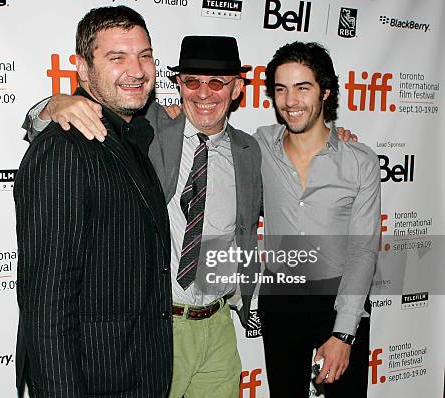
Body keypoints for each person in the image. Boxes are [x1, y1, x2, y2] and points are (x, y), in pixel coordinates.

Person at [26, 35, 263, 398]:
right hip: (159, 325)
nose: (204, 94)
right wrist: (55, 104)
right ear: (178, 85)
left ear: (237, 89)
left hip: (219, 325)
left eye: (217, 82)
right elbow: (72, 115)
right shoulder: (146, 128)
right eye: (192, 82)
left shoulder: (251, 150)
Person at [14, 6, 173, 397]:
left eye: (145, 55)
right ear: (82, 69)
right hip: (94, 383)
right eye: (117, 58)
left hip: (142, 374)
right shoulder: (65, 149)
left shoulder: (133, 134)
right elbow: (47, 306)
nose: (136, 70)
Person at [255, 41, 380, 397]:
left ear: (325, 91)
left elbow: (363, 252)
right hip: (280, 297)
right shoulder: (257, 146)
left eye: (302, 88)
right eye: (281, 89)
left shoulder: (360, 162)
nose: (290, 101)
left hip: (339, 297)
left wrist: (343, 332)